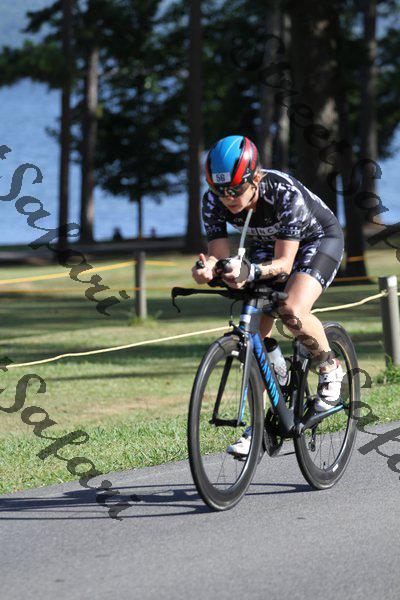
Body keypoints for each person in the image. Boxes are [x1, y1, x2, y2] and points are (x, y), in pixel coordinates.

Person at [191, 134, 345, 458]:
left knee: (291, 309)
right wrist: (210, 269)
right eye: (220, 190)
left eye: (236, 189)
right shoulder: (212, 201)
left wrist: (249, 272)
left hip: (316, 240)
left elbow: (285, 264)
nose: (228, 198)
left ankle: (329, 366)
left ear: (255, 178)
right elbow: (219, 255)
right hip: (268, 244)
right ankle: (259, 422)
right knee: (253, 335)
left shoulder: (282, 193)